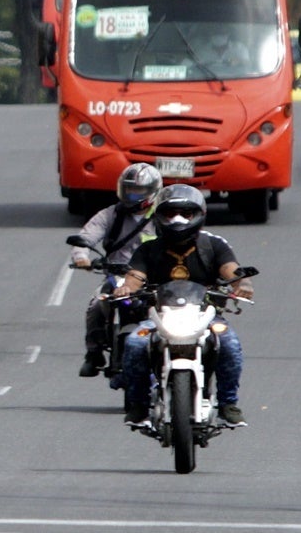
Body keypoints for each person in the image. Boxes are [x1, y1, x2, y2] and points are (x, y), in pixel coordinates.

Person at [112, 184, 253, 428]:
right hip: (159, 318)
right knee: (135, 342)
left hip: (205, 318)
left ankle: (229, 404)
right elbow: (135, 276)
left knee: (229, 342)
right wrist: (126, 288)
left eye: (186, 214)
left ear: (199, 215)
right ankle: (138, 406)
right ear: (159, 216)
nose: (178, 219)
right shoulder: (148, 249)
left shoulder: (213, 246)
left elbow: (232, 270)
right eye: (170, 213)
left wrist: (243, 283)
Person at [72, 162, 163, 378]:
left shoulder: (164, 216)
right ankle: (93, 354)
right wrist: (81, 257)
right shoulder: (110, 215)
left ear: (152, 191)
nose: (132, 195)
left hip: (154, 279)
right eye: (129, 190)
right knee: (96, 305)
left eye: (138, 191)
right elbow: (87, 236)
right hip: (117, 277)